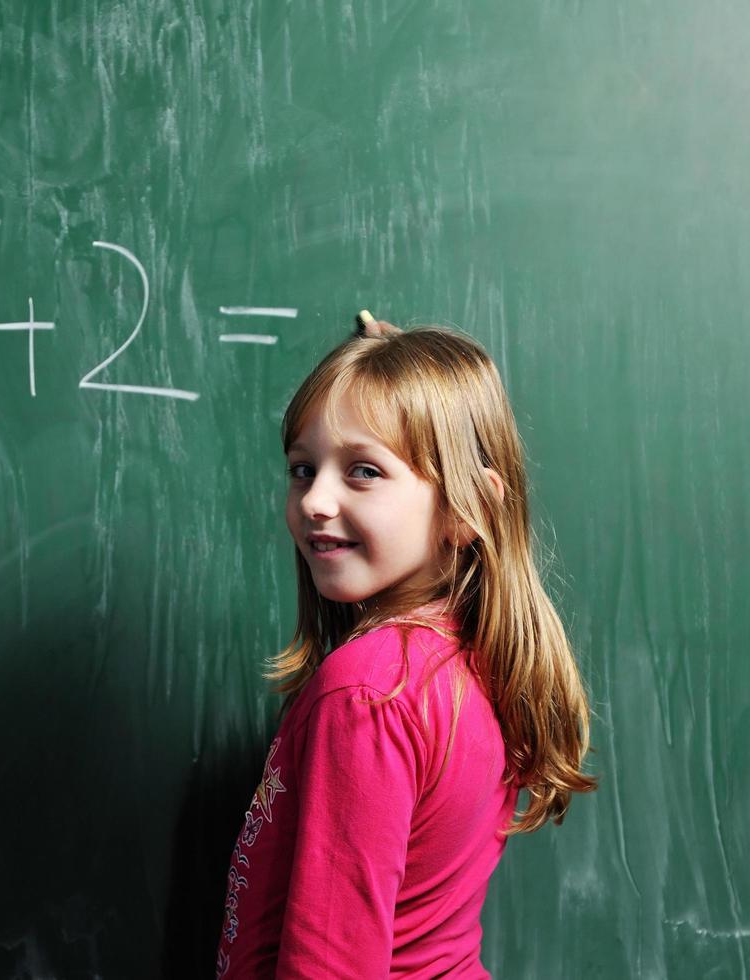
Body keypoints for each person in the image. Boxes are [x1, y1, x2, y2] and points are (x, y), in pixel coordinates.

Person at [215, 314, 598, 978]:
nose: (315, 501)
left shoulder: (368, 692)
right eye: (303, 469)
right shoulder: (473, 658)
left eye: (362, 471)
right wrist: (389, 371)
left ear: (462, 508)